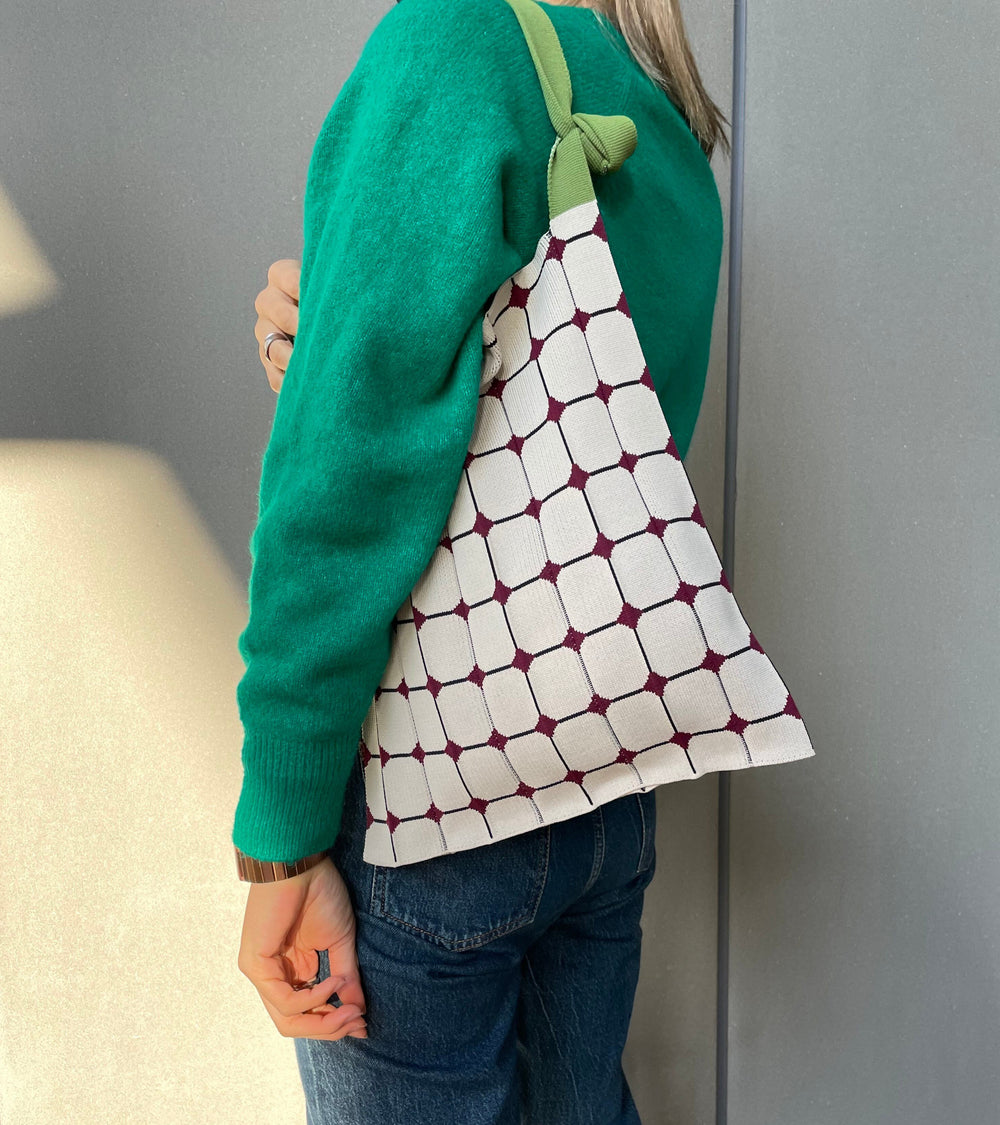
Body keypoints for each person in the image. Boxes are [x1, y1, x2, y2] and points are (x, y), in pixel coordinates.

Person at [235, 0, 729, 1120]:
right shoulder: (660, 100)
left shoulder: (455, 41)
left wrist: (280, 834)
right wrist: (320, 360)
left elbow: (348, 487)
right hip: (600, 774)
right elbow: (551, 427)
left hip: (438, 798)